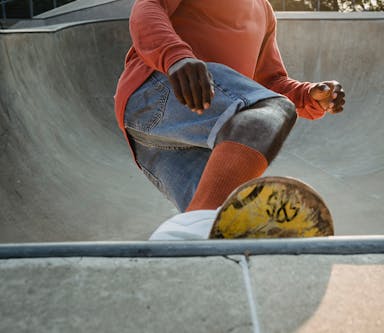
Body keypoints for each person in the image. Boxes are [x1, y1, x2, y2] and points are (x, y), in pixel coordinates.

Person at [114, 0, 345, 240]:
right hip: (158, 92)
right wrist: (177, 58)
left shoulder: (264, 11)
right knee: (272, 108)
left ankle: (183, 247)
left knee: (221, 216)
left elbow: (270, 82)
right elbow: (148, 6)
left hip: (170, 140)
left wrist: (308, 95)